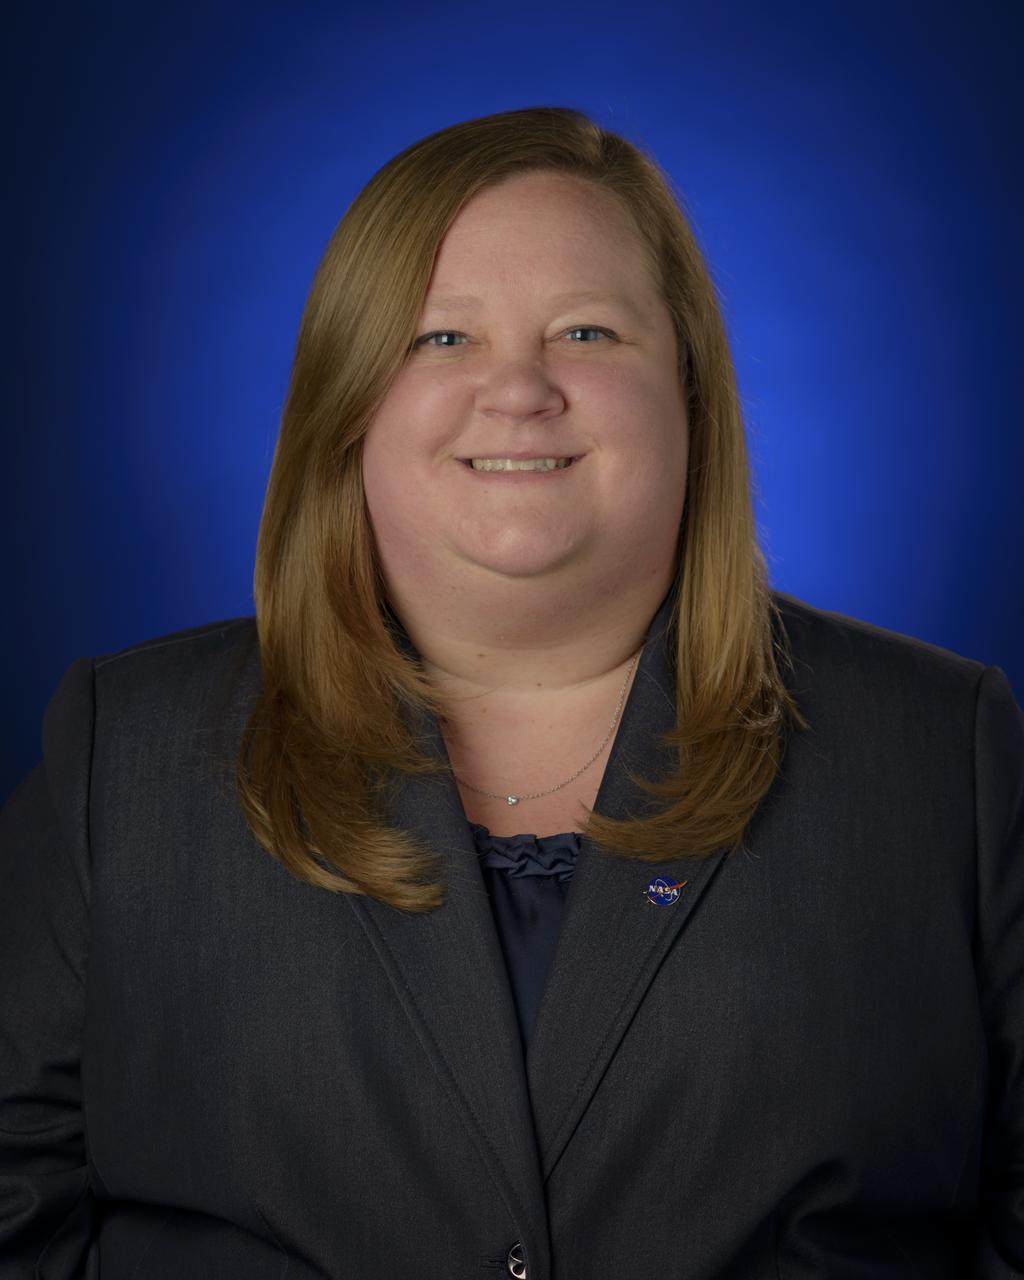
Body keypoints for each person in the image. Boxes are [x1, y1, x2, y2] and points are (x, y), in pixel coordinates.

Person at [0, 105, 1021, 1280]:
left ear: (689, 393)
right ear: (347, 403)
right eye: (441, 339)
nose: (520, 389)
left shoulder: (946, 753)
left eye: (587, 331)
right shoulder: (119, 758)